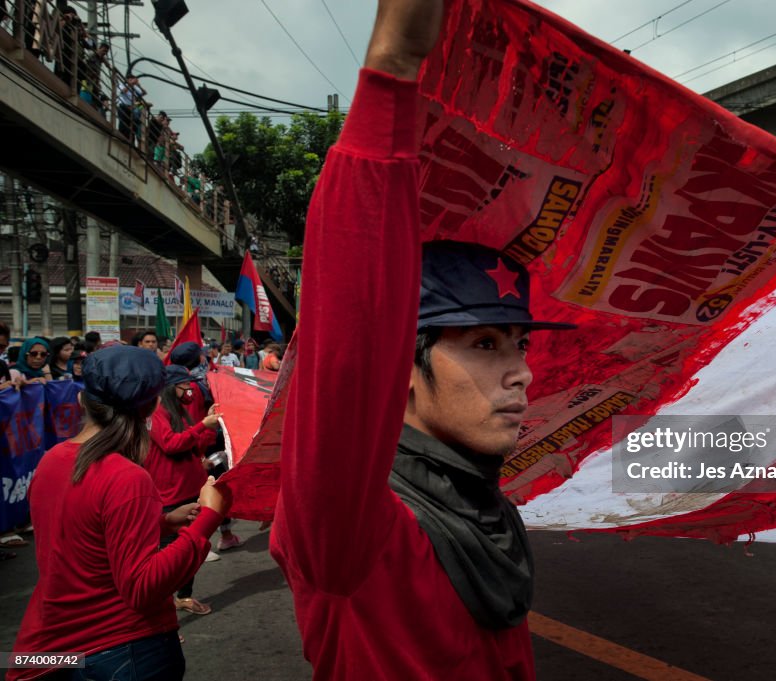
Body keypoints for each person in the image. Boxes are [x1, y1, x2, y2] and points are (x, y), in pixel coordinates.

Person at [270, 2, 575, 677]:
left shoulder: (482, 504)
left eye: (518, 344)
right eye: (486, 344)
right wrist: (393, 66)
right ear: (399, 371)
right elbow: (352, 337)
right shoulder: (350, 530)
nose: (522, 372)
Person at [8, 346, 230, 681]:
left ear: (83, 401)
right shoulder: (127, 477)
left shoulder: (50, 460)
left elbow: (80, 533)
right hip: (120, 651)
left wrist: (160, 523)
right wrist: (208, 518)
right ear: (154, 405)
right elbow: (143, 586)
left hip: (52, 650)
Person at [144, 365, 221, 616]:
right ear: (170, 388)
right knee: (167, 554)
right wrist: (202, 426)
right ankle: (161, 612)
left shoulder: (179, 410)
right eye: (185, 385)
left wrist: (207, 426)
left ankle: (184, 597)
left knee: (191, 548)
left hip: (190, 488)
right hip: (169, 494)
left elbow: (192, 443)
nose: (190, 390)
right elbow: (170, 443)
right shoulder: (155, 411)